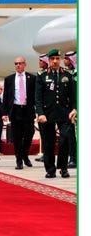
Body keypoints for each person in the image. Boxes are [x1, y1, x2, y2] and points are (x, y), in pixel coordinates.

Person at [35, 48, 77, 179]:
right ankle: (50, 169)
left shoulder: (67, 75)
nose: (55, 61)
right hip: (47, 114)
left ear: (60, 60)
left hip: (65, 114)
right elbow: (38, 98)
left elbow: (73, 96)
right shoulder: (42, 76)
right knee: (48, 143)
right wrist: (40, 113)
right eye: (52, 59)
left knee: (65, 140)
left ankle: (63, 168)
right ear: (49, 60)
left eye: (57, 59)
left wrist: (74, 109)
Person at [2, 57, 36, 169]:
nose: (18, 65)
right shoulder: (9, 79)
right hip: (15, 110)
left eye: (20, 63)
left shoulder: (32, 78)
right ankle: (19, 160)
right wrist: (4, 113)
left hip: (28, 110)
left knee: (29, 134)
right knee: (17, 137)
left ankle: (25, 154)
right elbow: (6, 97)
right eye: (16, 63)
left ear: (25, 64)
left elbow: (36, 96)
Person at [63, 50, 77, 169]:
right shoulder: (67, 74)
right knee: (70, 135)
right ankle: (73, 158)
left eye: (67, 58)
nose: (64, 61)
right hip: (69, 109)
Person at [35, 53, 49, 163]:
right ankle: (45, 153)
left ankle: (48, 154)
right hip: (41, 109)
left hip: (49, 109)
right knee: (43, 134)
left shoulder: (49, 74)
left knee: (48, 134)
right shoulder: (40, 74)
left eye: (41, 61)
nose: (39, 63)